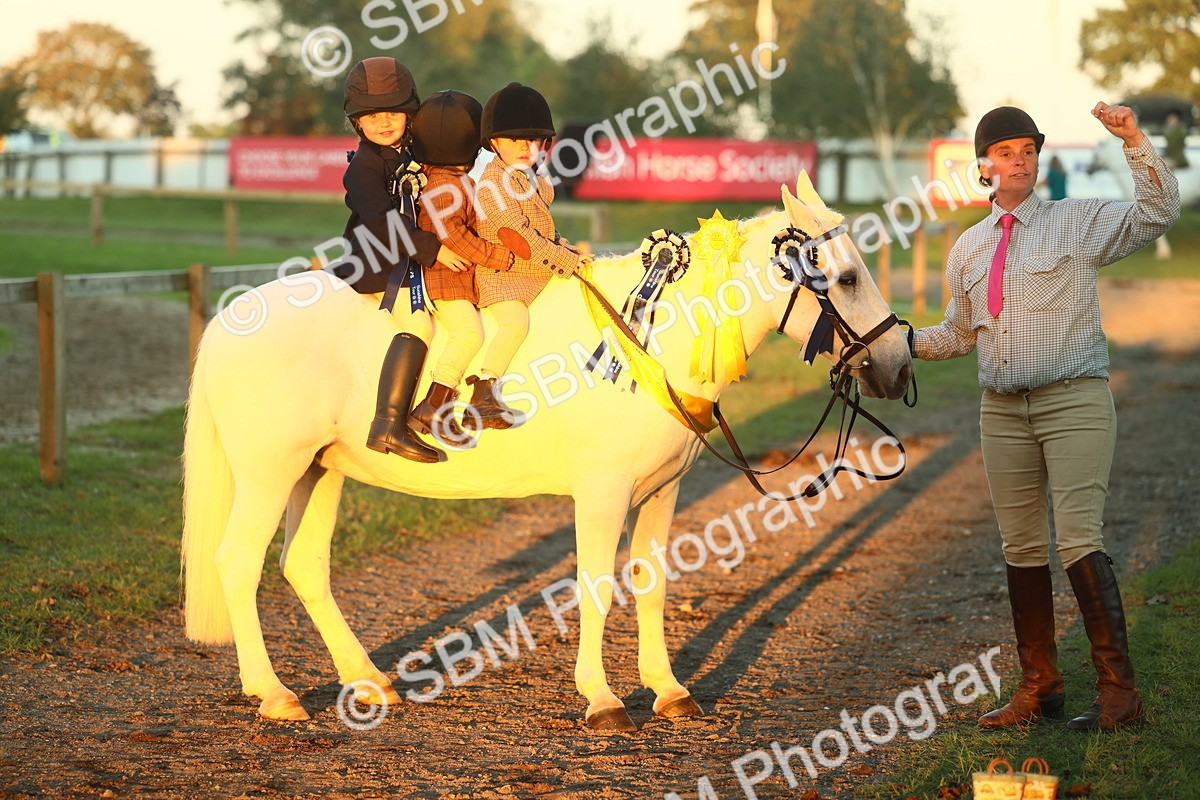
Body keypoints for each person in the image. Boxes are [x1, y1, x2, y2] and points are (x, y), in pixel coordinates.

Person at [913, 103, 1180, 732]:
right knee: (1022, 548)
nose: (1021, 161)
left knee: (1079, 539)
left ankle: (1120, 693)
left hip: (1074, 401)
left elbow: (1157, 212)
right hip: (1001, 411)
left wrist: (1133, 140)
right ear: (983, 166)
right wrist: (898, 343)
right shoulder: (969, 248)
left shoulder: (1077, 220)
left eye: (1028, 150)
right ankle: (1041, 687)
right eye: (1006, 152)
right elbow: (958, 332)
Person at [330, 57, 470, 464]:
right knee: (418, 323)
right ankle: (389, 424)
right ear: (357, 123)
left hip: (413, 256)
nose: (384, 122)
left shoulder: (416, 151)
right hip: (379, 261)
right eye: (372, 116)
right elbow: (383, 222)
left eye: (393, 112)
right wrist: (434, 249)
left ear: (410, 113)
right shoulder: (363, 169)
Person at [468, 82, 591, 429]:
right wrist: (566, 261)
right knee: (515, 322)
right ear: (493, 142)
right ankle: (484, 392)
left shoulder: (530, 178)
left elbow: (544, 235)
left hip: (532, 271)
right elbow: (522, 240)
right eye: (514, 139)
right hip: (503, 278)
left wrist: (569, 250)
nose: (525, 146)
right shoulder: (492, 186)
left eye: (532, 139)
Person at [407, 89, 516, 446]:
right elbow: (453, 233)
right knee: (469, 334)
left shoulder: (458, 181)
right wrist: (496, 256)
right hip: (445, 281)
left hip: (459, 280)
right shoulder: (443, 184)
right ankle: (434, 404)